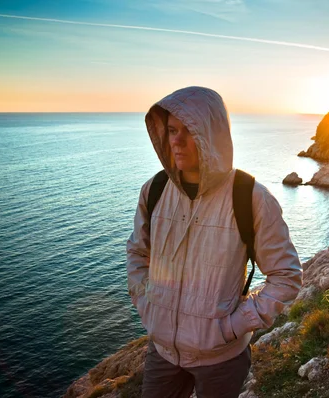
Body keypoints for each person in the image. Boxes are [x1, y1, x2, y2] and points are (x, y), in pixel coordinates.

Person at [126, 86, 302, 398]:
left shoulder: (251, 197)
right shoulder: (154, 190)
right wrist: (148, 307)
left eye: (188, 131)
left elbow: (286, 276)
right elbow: (138, 254)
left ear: (212, 135)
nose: (176, 141)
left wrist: (232, 327)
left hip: (221, 359)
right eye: (171, 130)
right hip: (163, 352)